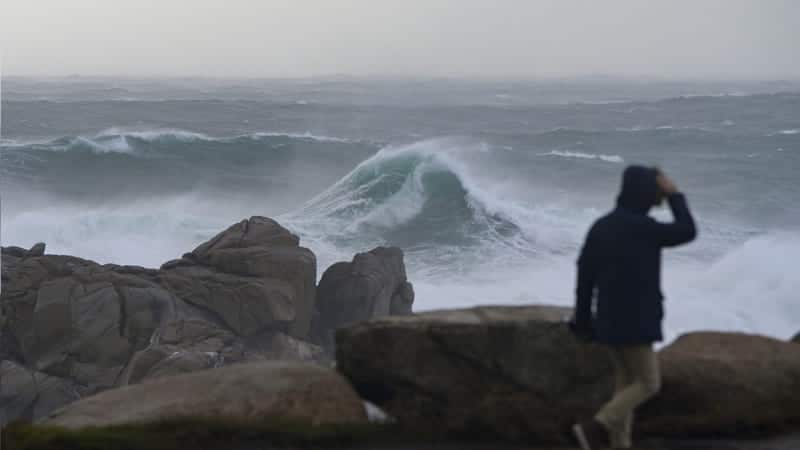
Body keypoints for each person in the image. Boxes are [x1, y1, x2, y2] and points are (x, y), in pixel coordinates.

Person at [569, 165, 697, 450]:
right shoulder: (645, 229)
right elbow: (687, 230)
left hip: (607, 321)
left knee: (626, 385)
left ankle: (620, 444)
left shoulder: (602, 226)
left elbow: (584, 275)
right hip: (636, 324)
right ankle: (596, 427)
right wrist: (675, 195)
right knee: (649, 384)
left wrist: (583, 318)